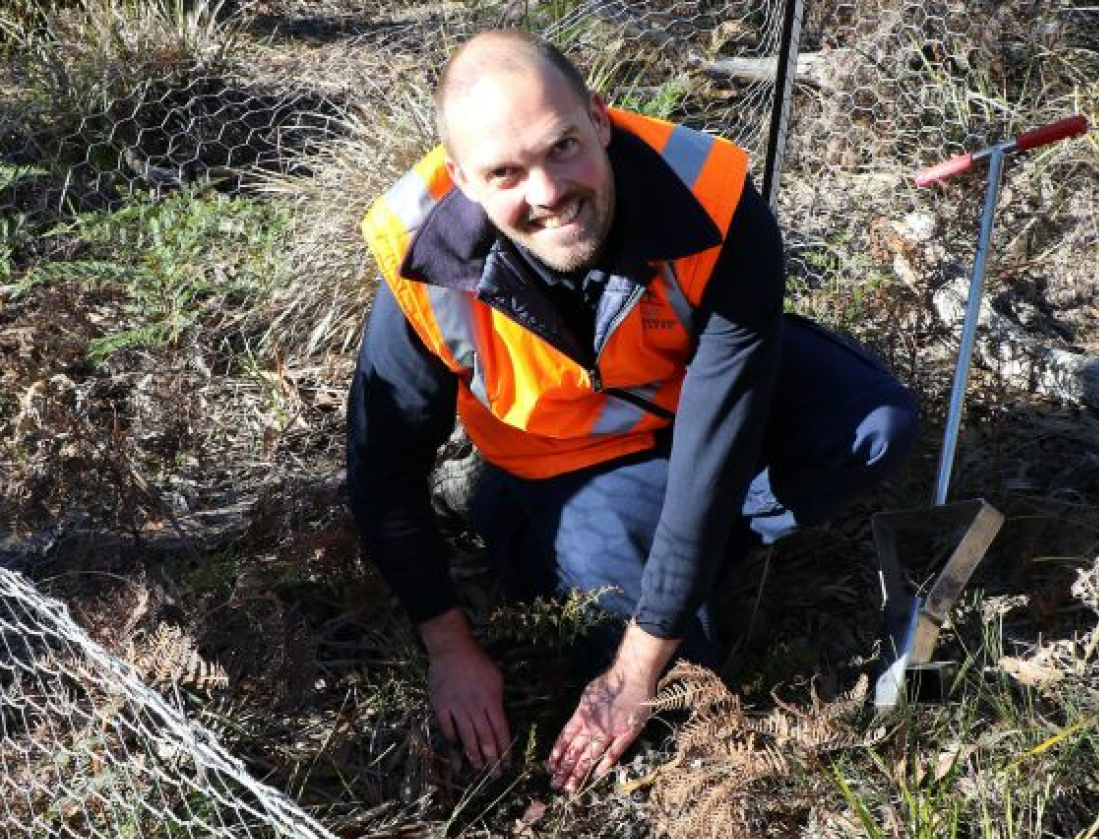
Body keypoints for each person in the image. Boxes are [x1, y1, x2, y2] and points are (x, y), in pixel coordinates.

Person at [346, 29, 918, 792]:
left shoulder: (710, 198)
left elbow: (724, 430)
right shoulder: (420, 265)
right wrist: (448, 646)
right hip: (568, 469)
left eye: (562, 148)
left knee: (875, 431)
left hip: (698, 413)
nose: (547, 193)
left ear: (601, 117)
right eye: (505, 172)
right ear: (462, 179)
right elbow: (381, 469)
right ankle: (537, 526)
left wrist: (641, 656)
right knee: (684, 697)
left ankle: (672, 553)